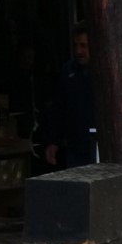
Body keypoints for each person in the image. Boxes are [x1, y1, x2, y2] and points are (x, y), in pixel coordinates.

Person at [38, 22, 97, 170]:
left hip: (99, 141)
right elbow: (59, 108)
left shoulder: (104, 70)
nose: (79, 51)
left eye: (84, 46)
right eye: (76, 45)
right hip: (75, 144)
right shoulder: (68, 70)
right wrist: (54, 141)